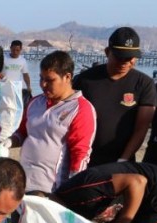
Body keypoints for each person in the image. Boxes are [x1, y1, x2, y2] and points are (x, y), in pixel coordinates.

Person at [14, 51, 96, 194]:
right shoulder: (35, 102)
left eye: (50, 80)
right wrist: (7, 143)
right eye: (41, 78)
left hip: (51, 189)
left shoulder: (81, 108)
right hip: (22, 183)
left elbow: (81, 153)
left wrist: (72, 188)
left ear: (67, 77)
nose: (43, 84)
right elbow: (22, 133)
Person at [73, 27, 156, 166]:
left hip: (122, 160)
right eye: (120, 57)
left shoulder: (144, 84)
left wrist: (123, 160)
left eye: (130, 58)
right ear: (107, 52)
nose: (125, 63)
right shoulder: (85, 79)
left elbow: (141, 128)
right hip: (85, 158)